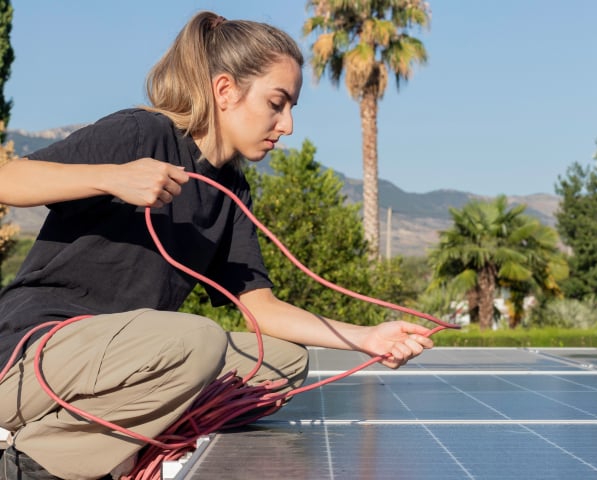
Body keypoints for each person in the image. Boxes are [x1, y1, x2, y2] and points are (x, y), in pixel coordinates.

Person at [0, 11, 434, 480]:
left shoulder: (232, 191)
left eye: (291, 108)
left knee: (282, 364)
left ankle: (119, 439)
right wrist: (115, 177)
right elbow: (6, 179)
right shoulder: (143, 132)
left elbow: (261, 309)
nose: (286, 125)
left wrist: (366, 338)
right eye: (277, 103)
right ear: (225, 91)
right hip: (29, 356)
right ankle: (31, 464)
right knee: (198, 341)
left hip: (123, 365)